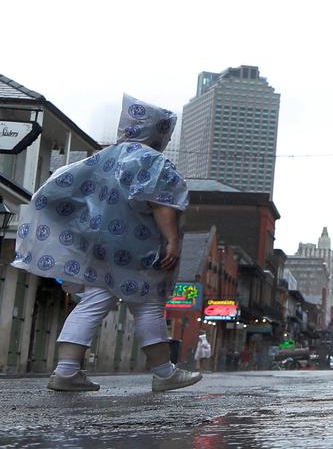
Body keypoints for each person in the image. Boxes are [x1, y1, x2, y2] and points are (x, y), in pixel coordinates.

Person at [10, 95, 202, 392]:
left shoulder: (104, 157)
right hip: (140, 249)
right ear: (160, 130)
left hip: (101, 248)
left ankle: (67, 370)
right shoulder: (154, 161)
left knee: (93, 302)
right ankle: (164, 373)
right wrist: (172, 240)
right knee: (148, 303)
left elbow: (63, 185)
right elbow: (161, 203)